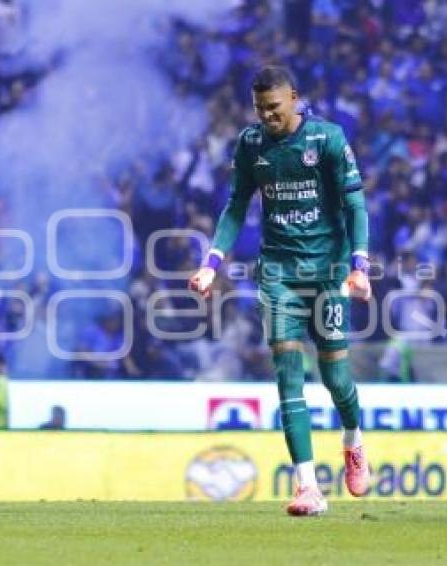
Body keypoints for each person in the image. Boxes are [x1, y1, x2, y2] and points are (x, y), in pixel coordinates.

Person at [189, 66, 372, 516]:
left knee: (335, 379)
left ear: (294, 97)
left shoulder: (327, 139)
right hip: (278, 274)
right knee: (288, 375)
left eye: (274, 107)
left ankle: (353, 440)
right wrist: (211, 264)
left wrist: (360, 266)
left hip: (328, 271)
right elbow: (236, 207)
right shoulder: (251, 144)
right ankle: (308, 487)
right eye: (259, 109)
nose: (267, 116)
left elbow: (355, 205)